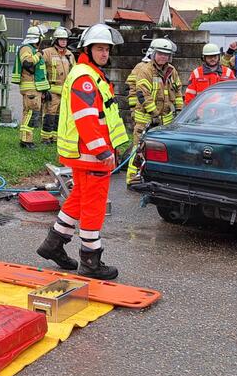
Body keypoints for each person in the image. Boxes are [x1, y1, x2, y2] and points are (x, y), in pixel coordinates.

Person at [36, 24, 129, 280]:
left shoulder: (88, 74)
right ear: (88, 49)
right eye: (100, 48)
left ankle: (53, 244)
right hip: (90, 154)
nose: (104, 53)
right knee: (94, 205)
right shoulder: (86, 78)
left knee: (78, 197)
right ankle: (90, 260)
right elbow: (86, 118)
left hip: (85, 153)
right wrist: (102, 151)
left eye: (107, 49)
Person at [126, 38, 181, 186]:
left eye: (166, 54)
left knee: (161, 151)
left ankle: (157, 178)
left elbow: (177, 91)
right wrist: (155, 114)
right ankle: (133, 178)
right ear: (154, 54)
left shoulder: (172, 71)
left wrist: (180, 111)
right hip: (146, 118)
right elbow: (143, 94)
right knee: (139, 148)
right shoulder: (145, 70)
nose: (163, 57)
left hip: (166, 119)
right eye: (160, 53)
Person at [12, 26, 49, 148]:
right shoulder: (27, 48)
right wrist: (38, 55)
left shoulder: (31, 49)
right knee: (30, 114)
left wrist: (44, 89)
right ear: (37, 38)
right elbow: (27, 63)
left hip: (35, 88)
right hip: (30, 88)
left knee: (31, 114)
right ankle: (26, 141)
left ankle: (27, 139)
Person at [40, 27, 75, 144]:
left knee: (60, 116)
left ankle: (55, 137)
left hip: (65, 92)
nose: (64, 41)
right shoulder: (47, 53)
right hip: (52, 91)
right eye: (61, 39)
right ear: (56, 40)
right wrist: (43, 89)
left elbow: (74, 71)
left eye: (65, 39)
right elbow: (40, 70)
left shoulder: (69, 55)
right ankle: (45, 138)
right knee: (50, 114)